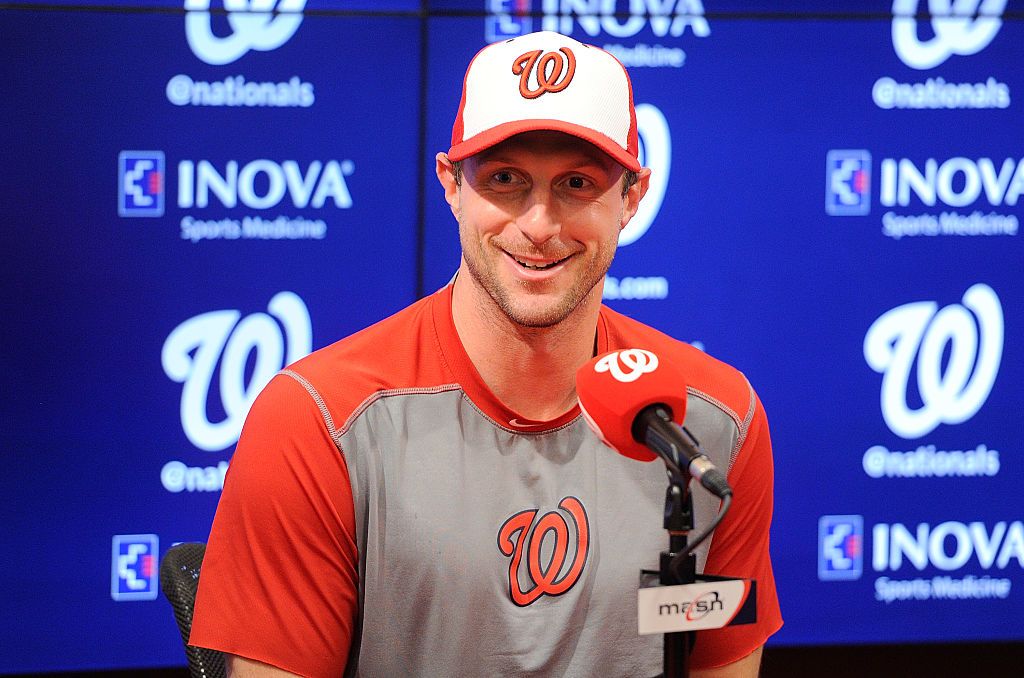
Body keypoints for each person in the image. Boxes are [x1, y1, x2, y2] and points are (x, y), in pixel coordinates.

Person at [190, 30, 782, 677]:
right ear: (452, 185)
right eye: (505, 179)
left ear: (632, 200)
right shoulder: (317, 422)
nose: (538, 224)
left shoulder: (713, 424)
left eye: (577, 183)